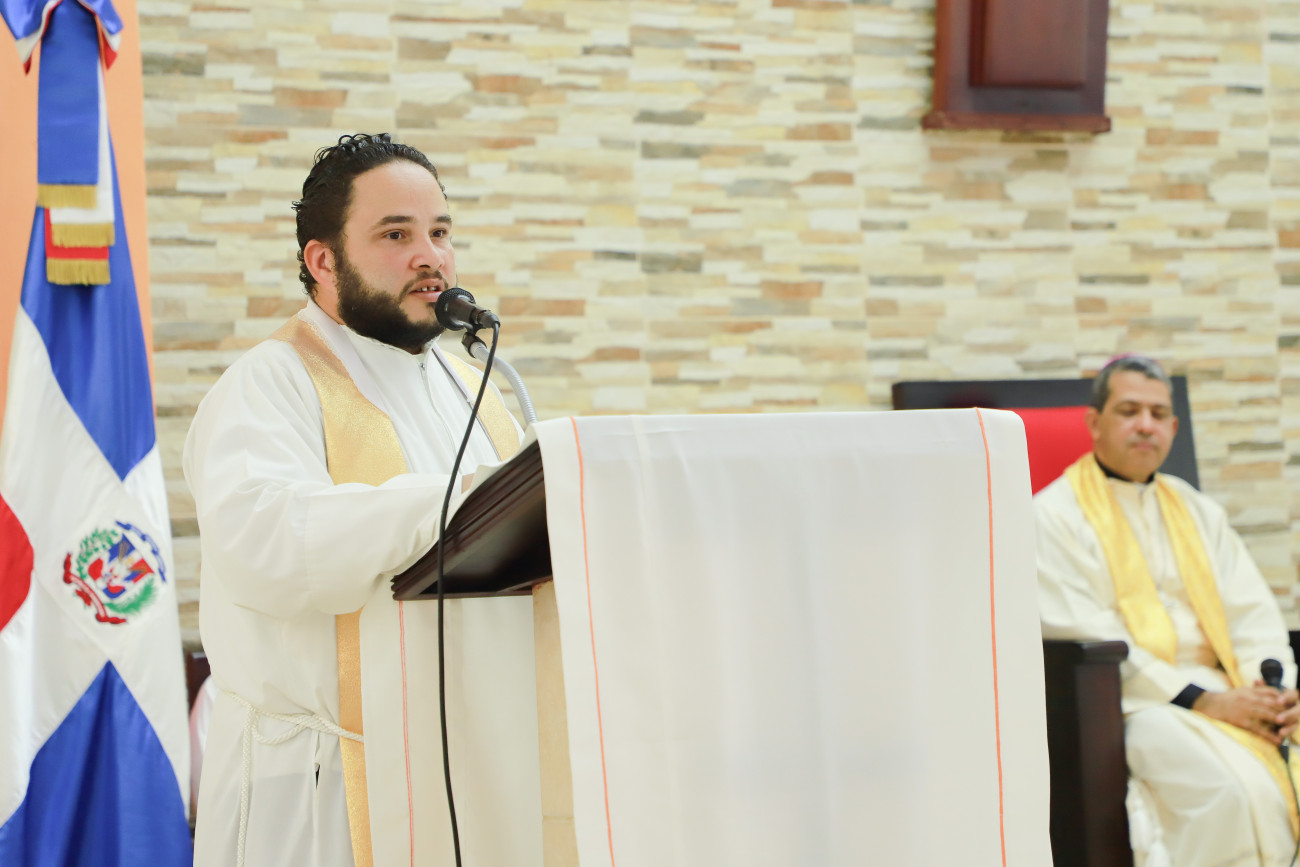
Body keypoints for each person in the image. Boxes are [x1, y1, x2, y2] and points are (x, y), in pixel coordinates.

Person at [183, 133, 542, 867]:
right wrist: (453, 505)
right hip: (320, 785)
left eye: (440, 232)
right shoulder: (270, 382)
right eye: (396, 234)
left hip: (462, 770)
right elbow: (266, 546)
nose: (431, 257)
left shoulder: (469, 385)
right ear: (323, 261)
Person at [1036, 354, 1300, 867]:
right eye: (1128, 411)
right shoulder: (1052, 516)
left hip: (1230, 691)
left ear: (1173, 429)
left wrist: (1273, 693)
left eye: (1158, 414)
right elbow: (1086, 631)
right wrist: (1203, 700)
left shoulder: (1199, 511)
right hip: (1136, 704)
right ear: (1094, 422)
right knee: (1226, 792)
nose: (1145, 425)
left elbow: (1252, 616)